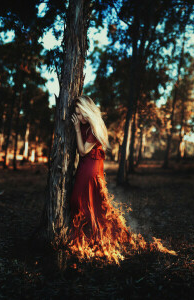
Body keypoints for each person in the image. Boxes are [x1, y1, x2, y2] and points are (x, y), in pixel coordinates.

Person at [70, 95, 146, 263]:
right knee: (84, 202)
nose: (80, 118)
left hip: (91, 167)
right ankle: (87, 237)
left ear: (88, 111)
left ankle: (103, 236)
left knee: (82, 201)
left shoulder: (95, 127)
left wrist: (76, 128)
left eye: (82, 114)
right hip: (84, 165)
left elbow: (82, 151)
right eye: (77, 114)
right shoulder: (84, 124)